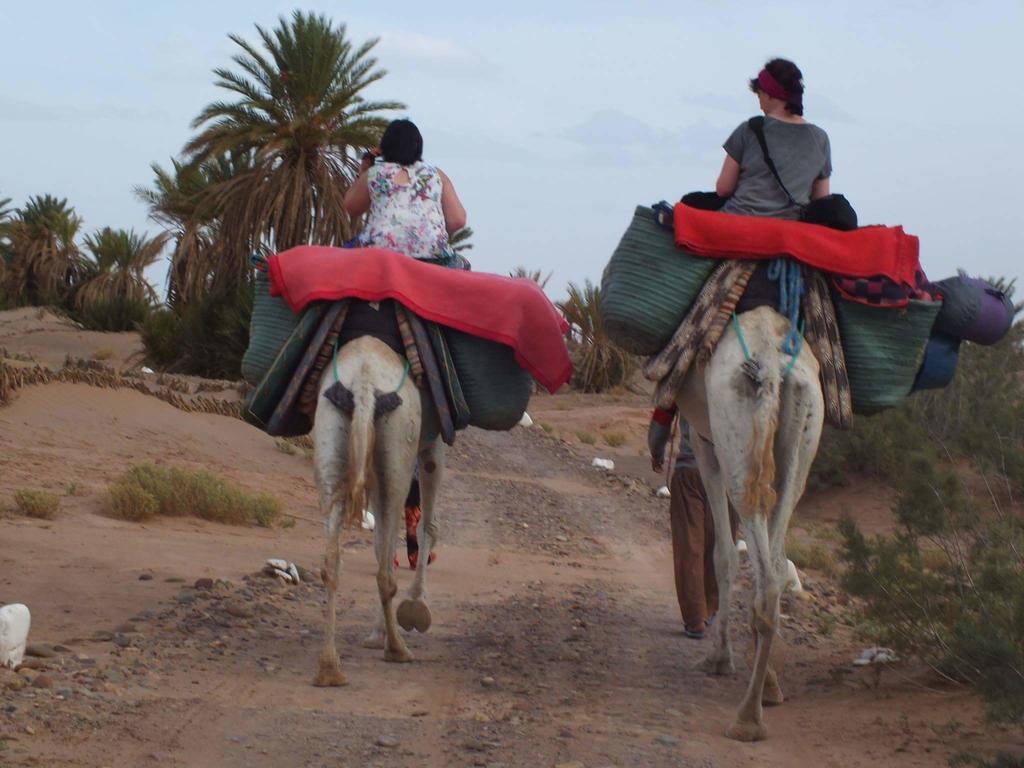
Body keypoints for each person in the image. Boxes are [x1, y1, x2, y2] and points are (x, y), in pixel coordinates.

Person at [649, 408, 738, 639]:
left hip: (691, 469)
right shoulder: (746, 372)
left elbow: (664, 411)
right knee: (720, 540)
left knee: (690, 544)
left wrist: (656, 449)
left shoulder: (686, 371)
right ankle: (711, 607)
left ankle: (695, 618)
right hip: (730, 475)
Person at [715, 58, 832, 220]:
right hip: (788, 229)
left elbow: (723, 188)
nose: (760, 104)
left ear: (769, 94)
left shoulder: (749, 129)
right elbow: (821, 199)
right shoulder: (820, 138)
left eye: (759, 95)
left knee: (693, 201)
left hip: (739, 220)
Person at [344, 118, 468, 267]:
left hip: (380, 250)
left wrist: (363, 171)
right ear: (418, 145)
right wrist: (430, 232)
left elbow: (351, 207)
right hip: (432, 254)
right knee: (463, 265)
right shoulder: (436, 175)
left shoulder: (374, 174)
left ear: (384, 147)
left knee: (347, 252)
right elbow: (458, 220)